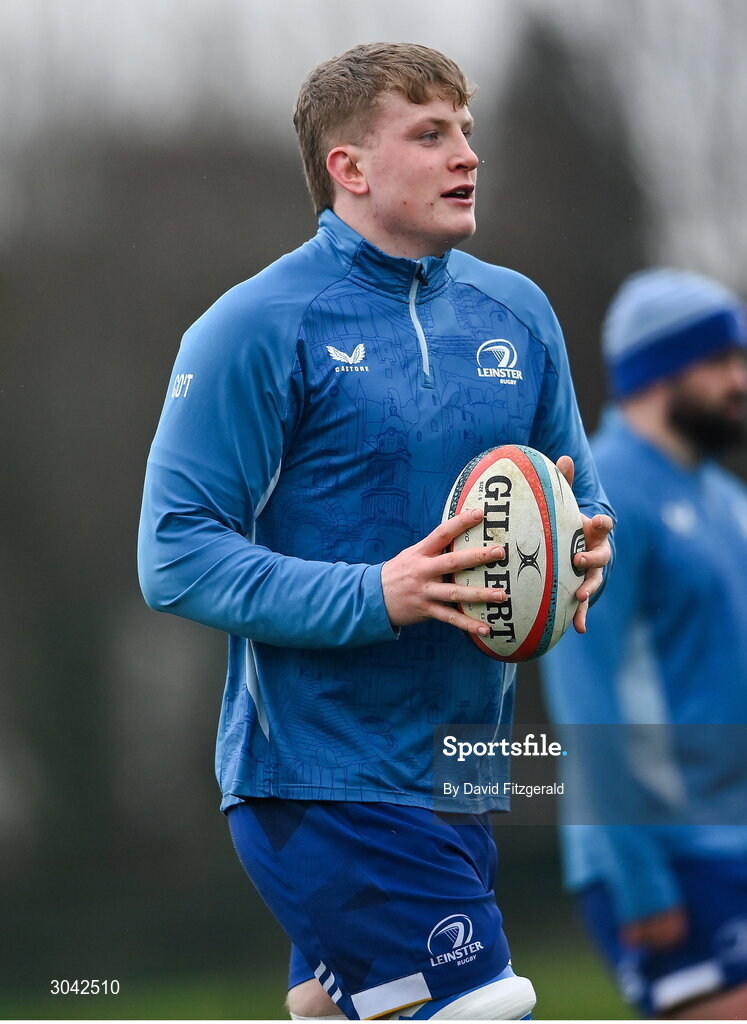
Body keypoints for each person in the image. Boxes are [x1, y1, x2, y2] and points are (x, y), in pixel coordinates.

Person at [137, 42, 613, 1022]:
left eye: (467, 132)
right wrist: (377, 593)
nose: (465, 155)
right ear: (348, 169)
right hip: (320, 778)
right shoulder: (255, 326)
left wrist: (585, 551)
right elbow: (173, 550)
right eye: (430, 134)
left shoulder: (517, 314)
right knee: (483, 1008)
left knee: (332, 1012)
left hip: (458, 772)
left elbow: (584, 501)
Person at [541, 268, 747, 1019]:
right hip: (667, 853)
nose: (740, 381)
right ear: (657, 372)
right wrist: (636, 870)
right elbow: (584, 696)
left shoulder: (738, 509)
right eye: (718, 363)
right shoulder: (600, 494)